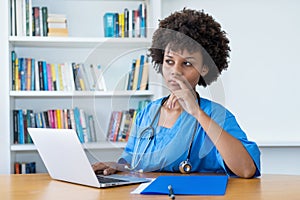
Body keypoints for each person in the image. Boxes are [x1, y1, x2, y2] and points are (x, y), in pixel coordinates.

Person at [93, 8, 261, 178]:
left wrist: (197, 113)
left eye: (187, 63)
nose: (175, 71)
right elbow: (132, 162)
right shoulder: (147, 113)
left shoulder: (216, 115)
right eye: (169, 61)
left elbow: (246, 170)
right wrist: (119, 166)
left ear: (204, 68)